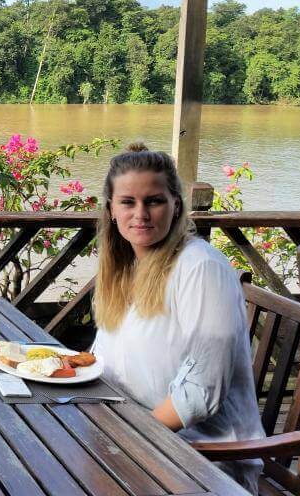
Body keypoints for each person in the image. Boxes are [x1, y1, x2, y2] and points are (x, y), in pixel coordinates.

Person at [90, 143, 264, 493]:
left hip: (201, 459)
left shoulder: (201, 267)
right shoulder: (126, 268)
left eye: (153, 201)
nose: (140, 213)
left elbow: (202, 391)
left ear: (176, 205)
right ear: (111, 209)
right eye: (128, 202)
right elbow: (103, 362)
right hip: (134, 433)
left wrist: (131, 441)